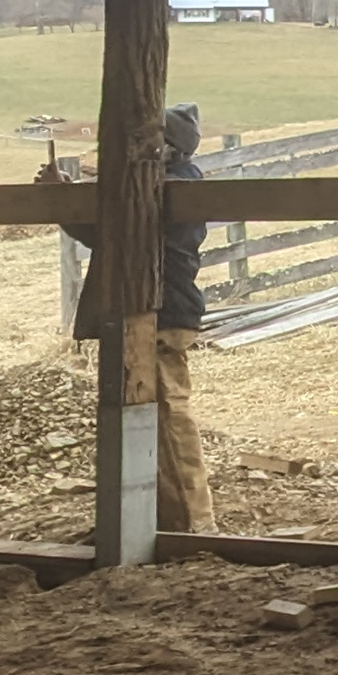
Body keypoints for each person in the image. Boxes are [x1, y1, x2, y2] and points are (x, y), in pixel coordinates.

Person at [155, 104, 217, 534]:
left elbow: (116, 230)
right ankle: (167, 519)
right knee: (155, 420)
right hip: (164, 310)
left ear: (168, 148)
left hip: (163, 313)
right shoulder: (171, 185)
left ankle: (196, 525)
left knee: (170, 417)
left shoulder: (174, 189)